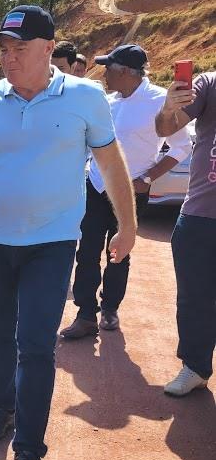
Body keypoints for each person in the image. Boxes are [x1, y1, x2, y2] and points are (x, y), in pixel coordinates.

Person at [0, 5, 136, 460]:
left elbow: (111, 165)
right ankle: (2, 409)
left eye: (19, 49)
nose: (8, 58)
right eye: (3, 50)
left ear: (49, 48)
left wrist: (127, 225)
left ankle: (29, 449)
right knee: (0, 336)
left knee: (37, 346)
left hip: (50, 244)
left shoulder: (87, 99)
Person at [62, 45, 193, 338]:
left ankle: (109, 309)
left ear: (124, 72)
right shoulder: (107, 102)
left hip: (132, 190)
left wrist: (148, 178)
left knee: (119, 252)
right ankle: (85, 314)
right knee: (87, 252)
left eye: (109, 68)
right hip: (96, 186)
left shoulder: (161, 102)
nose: (104, 74)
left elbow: (182, 147)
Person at [154, 70, 216, 396]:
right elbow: (167, 128)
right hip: (201, 215)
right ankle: (195, 367)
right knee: (194, 299)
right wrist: (167, 109)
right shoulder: (209, 84)